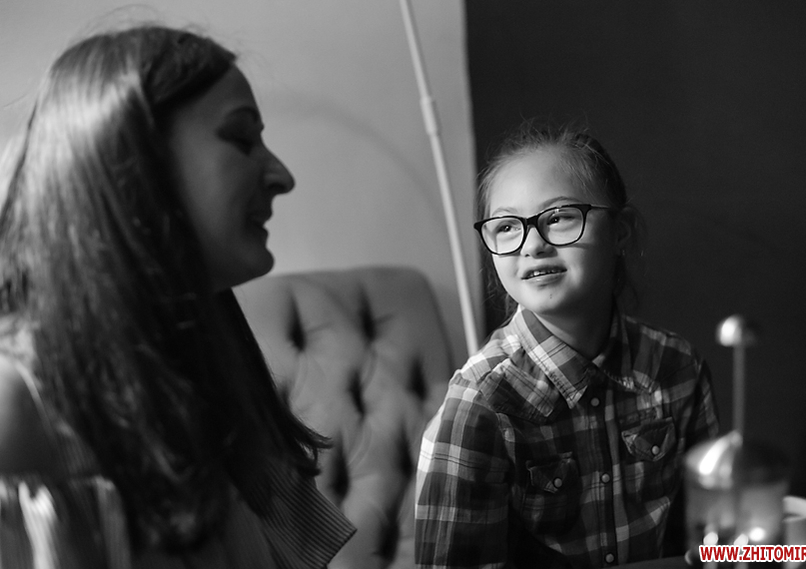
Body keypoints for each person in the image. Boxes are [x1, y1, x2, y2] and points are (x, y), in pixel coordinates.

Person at [0, 24, 354, 568]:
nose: (282, 177)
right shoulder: (17, 412)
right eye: (241, 138)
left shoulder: (209, 371)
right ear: (131, 160)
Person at [415, 122, 720, 568]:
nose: (532, 245)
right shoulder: (479, 405)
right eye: (506, 226)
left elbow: (709, 546)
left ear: (621, 231)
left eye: (558, 217)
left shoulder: (678, 368)